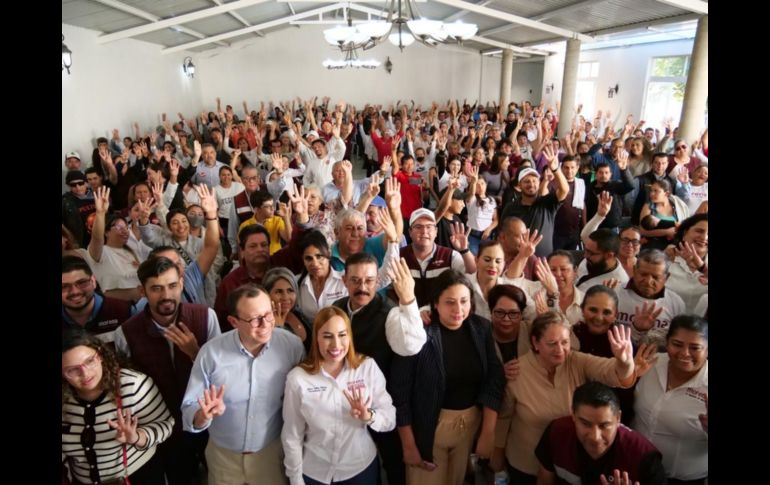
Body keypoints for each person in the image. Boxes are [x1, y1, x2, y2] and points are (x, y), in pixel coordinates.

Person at [181, 284, 305, 485]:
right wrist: (203, 416)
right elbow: (189, 408)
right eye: (255, 319)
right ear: (233, 322)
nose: (265, 324)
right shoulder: (210, 354)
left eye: (269, 314)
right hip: (223, 457)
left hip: (270, 454)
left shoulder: (291, 346)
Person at [493, 312, 636, 484]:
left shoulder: (576, 361)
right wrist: (497, 455)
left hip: (567, 466)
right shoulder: (516, 371)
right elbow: (503, 417)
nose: (560, 350)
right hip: (526, 463)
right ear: (535, 343)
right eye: (552, 343)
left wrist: (624, 362)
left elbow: (612, 372)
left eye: (565, 342)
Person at [390, 270, 505, 485]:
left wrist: (488, 432)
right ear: (436, 303)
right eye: (450, 302)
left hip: (469, 424)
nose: (458, 310)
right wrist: (408, 445)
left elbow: (494, 378)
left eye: (464, 301)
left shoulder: (481, 328)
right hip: (429, 427)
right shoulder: (419, 334)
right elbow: (399, 391)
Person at [115, 256, 221, 485]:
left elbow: (222, 376)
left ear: (181, 284)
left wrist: (195, 353)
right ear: (142, 291)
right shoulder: (126, 333)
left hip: (207, 421)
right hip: (162, 430)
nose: (166, 295)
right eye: (156, 288)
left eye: (172, 286)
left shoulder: (205, 317)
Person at [333, 252, 426, 485]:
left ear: (378, 282)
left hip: (382, 404)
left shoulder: (390, 313)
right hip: (344, 404)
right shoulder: (336, 309)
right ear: (344, 281)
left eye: (369, 281)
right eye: (355, 280)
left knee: (392, 463)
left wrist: (408, 301)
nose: (362, 287)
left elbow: (411, 346)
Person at [281, 306, 396, 485]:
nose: (336, 345)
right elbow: (292, 435)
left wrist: (369, 416)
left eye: (342, 335)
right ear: (316, 338)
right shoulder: (298, 379)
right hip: (315, 473)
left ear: (349, 336)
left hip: (360, 469)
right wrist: (296, 479)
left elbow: (390, 418)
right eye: (327, 336)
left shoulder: (367, 368)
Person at [62, 328, 174, 484]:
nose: (85, 373)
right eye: (72, 370)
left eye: (89, 361)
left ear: (100, 356)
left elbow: (166, 425)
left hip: (137, 477)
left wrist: (136, 437)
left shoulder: (133, 384)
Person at [535, 382, 666, 485]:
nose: (595, 438)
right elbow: (544, 480)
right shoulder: (556, 433)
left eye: (604, 425)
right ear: (573, 415)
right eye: (585, 424)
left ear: (618, 418)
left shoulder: (644, 457)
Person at [633, 315, 708, 484]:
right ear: (666, 343)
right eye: (677, 344)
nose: (684, 353)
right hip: (635, 467)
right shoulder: (650, 363)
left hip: (681, 478)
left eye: (695, 347)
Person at [500, 146, 569, 257]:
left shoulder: (547, 203)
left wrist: (555, 169)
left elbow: (564, 190)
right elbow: (502, 234)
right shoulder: (511, 207)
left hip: (543, 262)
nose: (531, 184)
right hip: (517, 261)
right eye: (526, 181)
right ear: (519, 185)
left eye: (534, 181)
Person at [615, 249, 686, 349]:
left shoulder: (676, 303)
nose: (648, 281)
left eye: (655, 277)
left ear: (666, 277)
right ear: (634, 270)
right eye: (643, 274)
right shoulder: (615, 294)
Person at [62, 255, 134, 346]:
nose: (75, 292)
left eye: (82, 283)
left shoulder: (125, 311)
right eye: (64, 287)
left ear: (93, 281)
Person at [664, 214, 708, 313]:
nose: (704, 237)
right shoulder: (666, 259)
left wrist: (703, 268)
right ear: (684, 233)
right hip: (664, 325)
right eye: (699, 231)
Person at [263, 267, 313, 353]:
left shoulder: (298, 313)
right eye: (278, 292)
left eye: (290, 291)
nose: (285, 297)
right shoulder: (263, 322)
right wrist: (278, 329)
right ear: (267, 294)